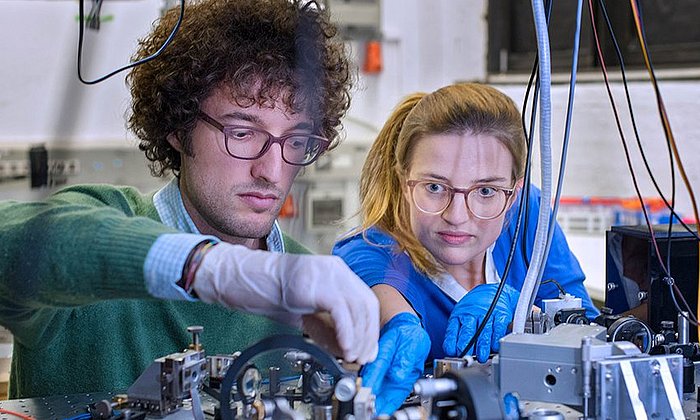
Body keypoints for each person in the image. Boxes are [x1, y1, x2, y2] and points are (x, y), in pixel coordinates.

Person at [0, 0, 379, 399]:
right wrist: (206, 266)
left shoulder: (309, 289)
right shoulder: (100, 230)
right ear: (178, 128)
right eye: (242, 133)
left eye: (296, 141)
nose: (271, 171)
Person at [333, 83, 599, 415]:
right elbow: (378, 284)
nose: (456, 216)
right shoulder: (374, 249)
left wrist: (527, 315)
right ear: (404, 184)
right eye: (434, 187)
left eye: (485, 190)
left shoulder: (528, 217)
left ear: (514, 194)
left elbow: (591, 332)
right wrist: (399, 323)